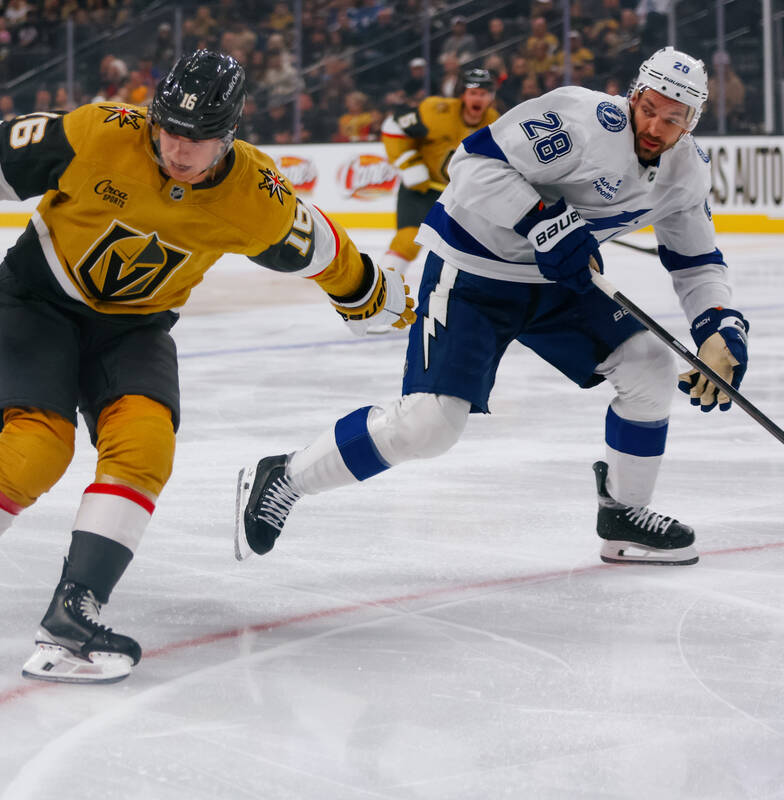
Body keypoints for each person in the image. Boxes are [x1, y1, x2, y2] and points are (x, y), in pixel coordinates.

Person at [0, 49, 416, 682]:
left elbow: (319, 244)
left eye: (199, 138)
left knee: (146, 445)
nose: (179, 149)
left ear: (230, 135)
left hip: (134, 327)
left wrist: (368, 291)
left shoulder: (255, 196)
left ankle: (71, 617)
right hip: (40, 302)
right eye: (170, 130)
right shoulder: (102, 131)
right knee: (37, 450)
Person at [236, 47, 747, 569]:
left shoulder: (688, 171)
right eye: (651, 107)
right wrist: (542, 220)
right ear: (634, 95)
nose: (657, 126)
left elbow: (696, 259)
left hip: (556, 279)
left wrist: (718, 326)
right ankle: (286, 475)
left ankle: (624, 513)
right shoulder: (584, 119)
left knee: (649, 365)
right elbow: (472, 165)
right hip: (473, 268)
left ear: (692, 123)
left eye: (674, 118)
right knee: (431, 425)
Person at [380, 67, 498, 278]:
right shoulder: (436, 111)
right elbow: (393, 125)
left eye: (483, 93)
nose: (477, 98)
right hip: (422, 190)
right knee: (407, 241)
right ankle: (382, 285)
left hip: (459, 197)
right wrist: (409, 164)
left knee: (473, 253)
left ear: (491, 97)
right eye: (473, 93)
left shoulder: (496, 123)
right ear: (463, 95)